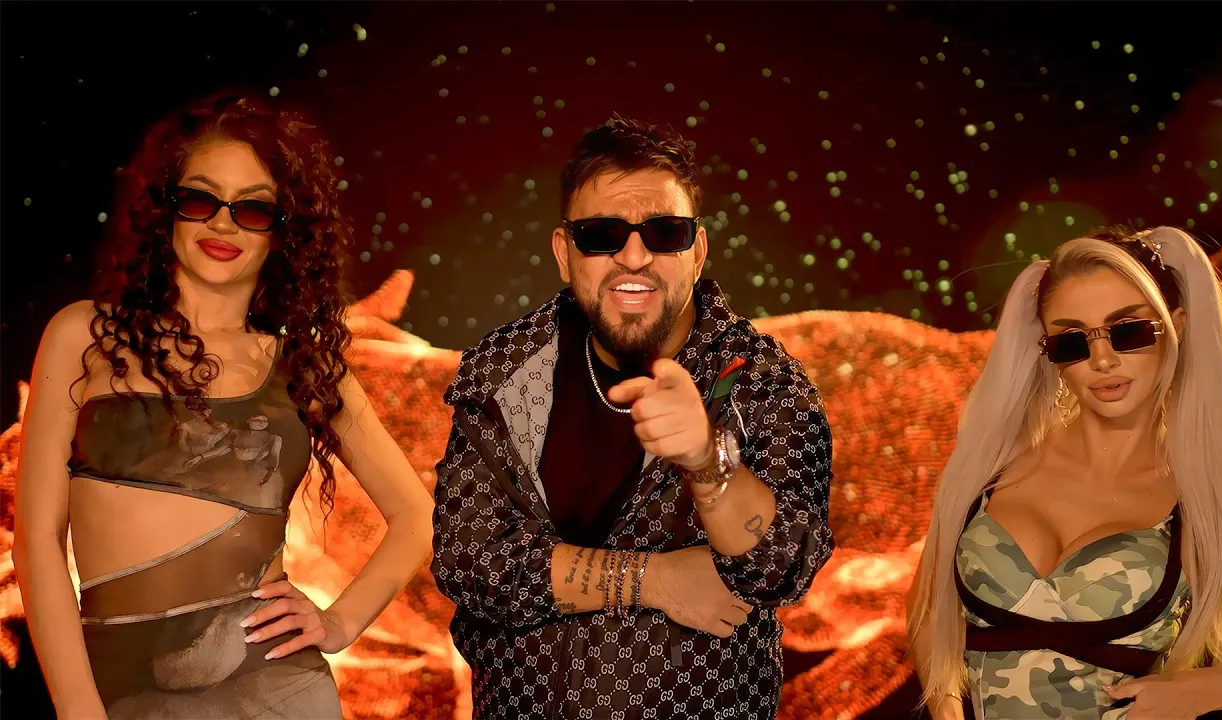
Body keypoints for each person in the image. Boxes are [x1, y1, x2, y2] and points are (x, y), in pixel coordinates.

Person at [13, 93, 433, 719]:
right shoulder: (84, 336)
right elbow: (37, 543)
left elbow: (418, 516)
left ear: (284, 231)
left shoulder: (305, 364)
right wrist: (79, 711)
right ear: (167, 208)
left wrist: (339, 622)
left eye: (253, 209)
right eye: (201, 200)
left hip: (274, 689)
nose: (223, 225)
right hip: (115, 689)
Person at [430, 116, 834, 719]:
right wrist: (655, 580)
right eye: (602, 234)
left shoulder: (760, 380)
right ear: (565, 253)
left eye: (665, 233)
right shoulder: (504, 370)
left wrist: (707, 460)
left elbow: (785, 566)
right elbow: (468, 559)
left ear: (697, 252)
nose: (635, 256)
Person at [906, 226, 1222, 720]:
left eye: (1128, 332)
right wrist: (946, 708)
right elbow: (927, 607)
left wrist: (1202, 691)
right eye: (1072, 342)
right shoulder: (992, 464)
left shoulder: (1221, 487)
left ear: (1178, 327)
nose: (1102, 360)